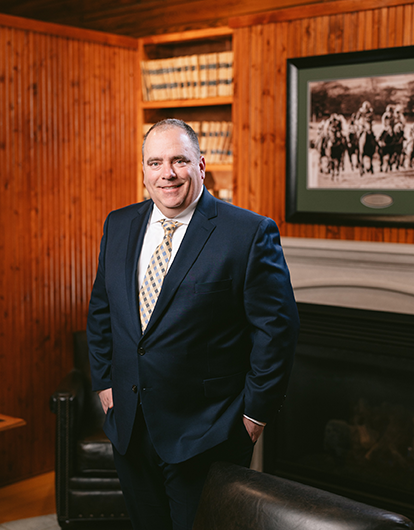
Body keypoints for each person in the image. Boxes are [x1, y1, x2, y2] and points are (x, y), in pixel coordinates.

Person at [86, 119, 300, 530]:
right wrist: (105, 382)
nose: (167, 173)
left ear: (200, 165)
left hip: (208, 431)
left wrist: (254, 416)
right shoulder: (118, 224)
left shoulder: (249, 233)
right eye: (155, 162)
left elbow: (277, 331)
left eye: (179, 160)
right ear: (144, 170)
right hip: (130, 424)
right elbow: (102, 310)